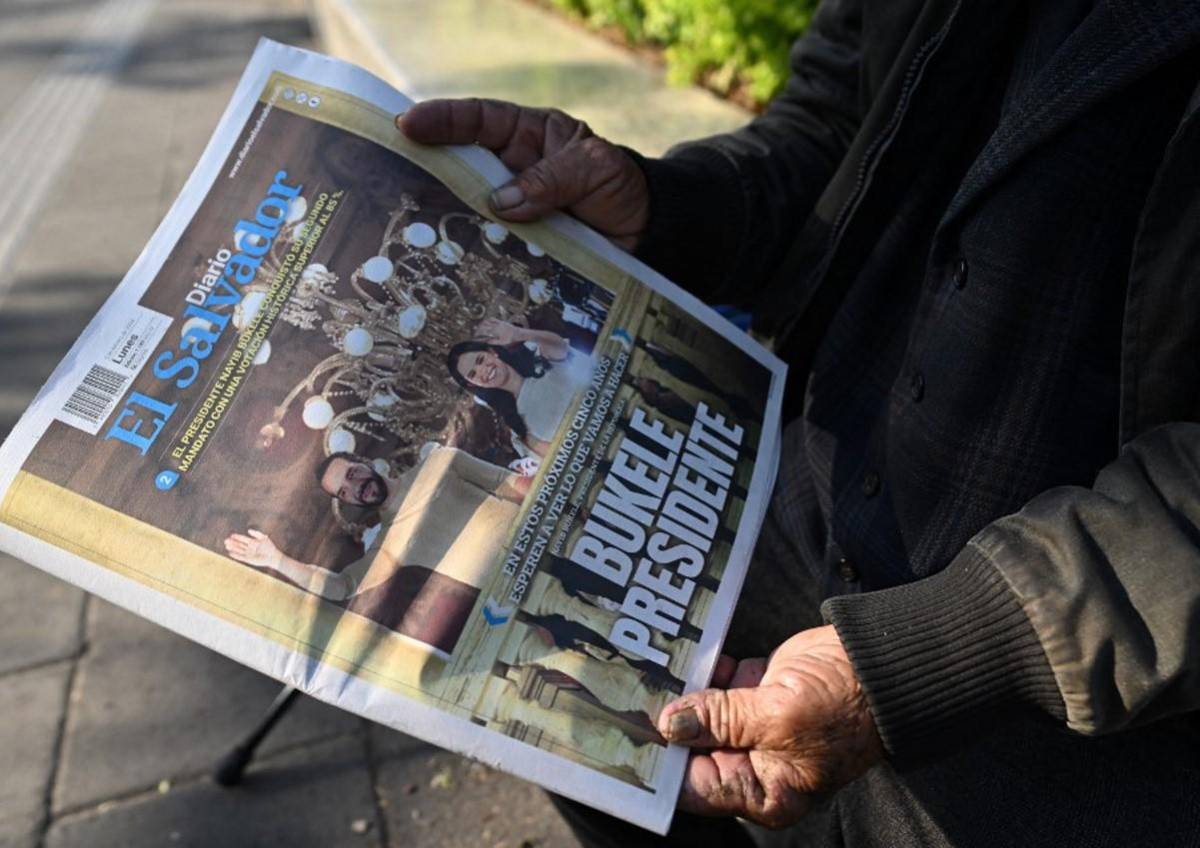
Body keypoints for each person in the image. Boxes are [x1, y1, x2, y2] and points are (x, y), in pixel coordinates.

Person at [395, 1, 1200, 845]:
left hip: (1089, 667)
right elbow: (835, 122)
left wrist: (949, 648)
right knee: (530, 707)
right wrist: (666, 206)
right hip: (800, 488)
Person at [223, 446, 530, 654]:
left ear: (364, 462)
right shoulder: (386, 547)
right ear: (349, 502)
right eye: (344, 491)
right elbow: (341, 587)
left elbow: (511, 483)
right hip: (516, 587)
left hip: (540, 534)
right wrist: (278, 559)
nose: (356, 487)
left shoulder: (440, 460)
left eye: (352, 474)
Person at [448, 317, 594, 456]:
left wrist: (519, 334)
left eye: (480, 360)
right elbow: (558, 459)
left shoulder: (540, 360)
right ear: (473, 384)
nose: (483, 370)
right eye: (473, 374)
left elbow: (560, 348)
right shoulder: (518, 426)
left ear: (492, 353)